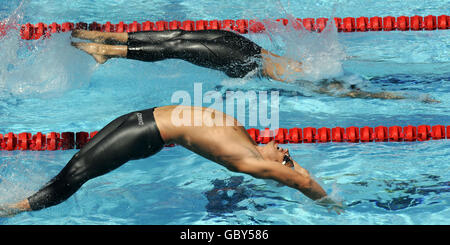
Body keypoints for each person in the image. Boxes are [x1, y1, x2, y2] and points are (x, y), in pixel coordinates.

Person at [0, 105, 343, 217]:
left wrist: (329, 204)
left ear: (274, 168)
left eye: (287, 156)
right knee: (76, 163)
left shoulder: (248, 160)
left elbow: (301, 181)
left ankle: (11, 209)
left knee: (76, 174)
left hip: (146, 133)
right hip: (141, 117)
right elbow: (293, 173)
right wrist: (291, 167)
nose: (284, 148)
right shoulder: (245, 140)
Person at [70, 29, 429, 102]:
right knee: (179, 34)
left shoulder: (324, 83)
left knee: (178, 47)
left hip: (245, 62)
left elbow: (368, 96)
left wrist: (403, 99)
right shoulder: (323, 66)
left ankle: (109, 51)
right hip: (249, 47)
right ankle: (111, 37)